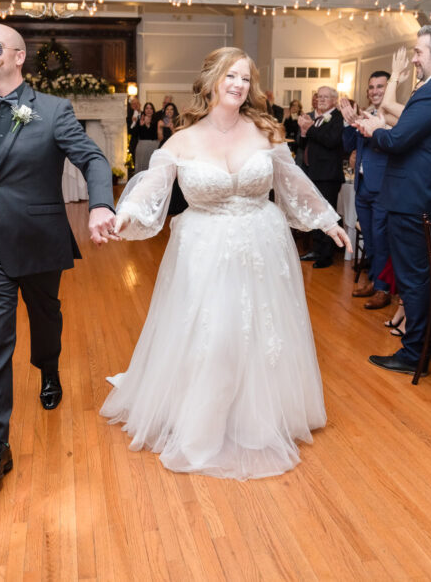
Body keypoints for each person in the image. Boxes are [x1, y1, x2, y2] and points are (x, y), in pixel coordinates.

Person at [103, 47, 351, 479]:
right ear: (211, 81)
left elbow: (294, 182)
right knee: (214, 333)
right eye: (230, 76)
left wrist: (327, 220)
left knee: (260, 332)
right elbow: (152, 188)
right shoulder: (181, 140)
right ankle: (203, 422)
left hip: (264, 243)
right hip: (204, 248)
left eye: (244, 78)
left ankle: (256, 421)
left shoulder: (265, 132)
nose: (238, 84)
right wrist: (124, 215)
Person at [0, 23, 115, 486]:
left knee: (46, 314)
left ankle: (49, 368)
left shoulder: (51, 111)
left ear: (18, 56)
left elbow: (91, 158)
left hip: (38, 238)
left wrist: (100, 205)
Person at [356, 25, 431, 374]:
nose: (415, 59)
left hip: (415, 200)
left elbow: (398, 141)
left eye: (419, 52)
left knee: (416, 279)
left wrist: (375, 130)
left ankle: (413, 354)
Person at [341, 70, 396, 310]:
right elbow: (349, 145)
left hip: (383, 187)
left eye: (380, 87)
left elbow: (391, 146)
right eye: (371, 87)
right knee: (371, 241)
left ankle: (384, 289)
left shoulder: (396, 118)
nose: (375, 91)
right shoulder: (366, 113)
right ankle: (374, 281)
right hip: (362, 186)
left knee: (382, 240)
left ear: (389, 89)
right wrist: (349, 122)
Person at [297, 86, 345, 268]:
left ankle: (326, 256)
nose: (322, 100)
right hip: (313, 173)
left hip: (328, 175)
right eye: (319, 96)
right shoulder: (316, 118)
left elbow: (331, 141)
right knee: (315, 214)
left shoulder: (338, 118)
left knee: (326, 215)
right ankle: (316, 249)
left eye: (326, 97)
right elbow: (305, 143)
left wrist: (310, 128)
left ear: (334, 100)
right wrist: (303, 131)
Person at [131, 102, 157, 171]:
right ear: (144, 110)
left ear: (153, 110)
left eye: (151, 108)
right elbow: (134, 134)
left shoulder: (156, 120)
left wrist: (148, 125)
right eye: (147, 108)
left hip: (153, 146)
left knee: (152, 167)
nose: (149, 110)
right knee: (142, 167)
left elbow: (155, 136)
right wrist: (139, 125)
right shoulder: (140, 120)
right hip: (142, 147)